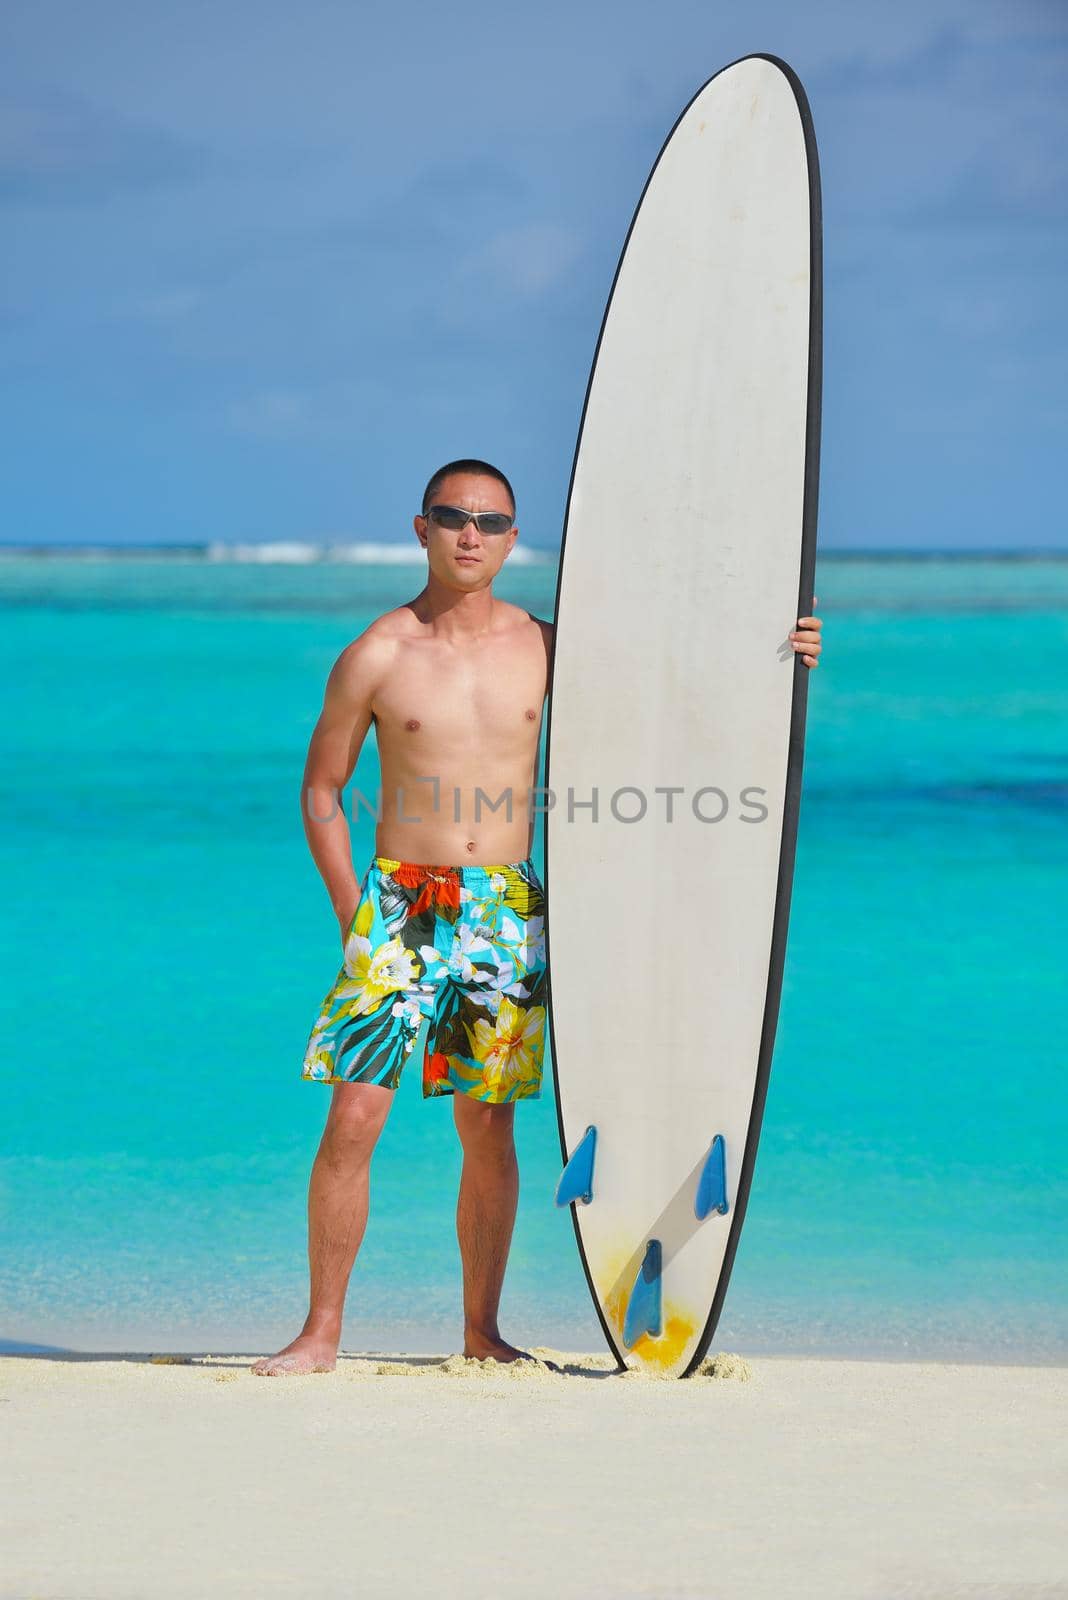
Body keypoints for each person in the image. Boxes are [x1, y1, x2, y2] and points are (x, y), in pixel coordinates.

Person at [252, 457, 824, 1376]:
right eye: (452, 517)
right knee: (355, 1118)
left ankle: (481, 1330)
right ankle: (321, 1331)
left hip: (505, 908)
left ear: (513, 540)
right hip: (403, 907)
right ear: (421, 528)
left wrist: (778, 654)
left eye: (489, 521)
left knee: (488, 1127)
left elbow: (672, 700)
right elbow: (323, 791)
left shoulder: (547, 647)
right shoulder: (376, 654)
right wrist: (355, 909)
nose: (469, 534)